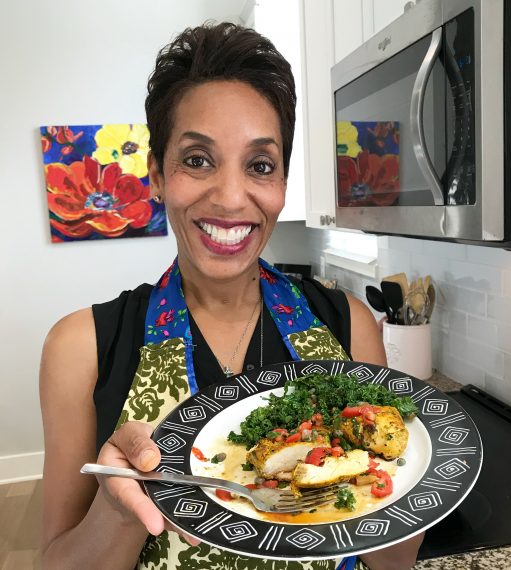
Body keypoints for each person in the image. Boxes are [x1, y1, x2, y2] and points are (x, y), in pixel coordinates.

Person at [39, 22, 424, 570]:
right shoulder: (80, 347)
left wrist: (398, 472)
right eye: (198, 159)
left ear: (282, 184)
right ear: (156, 175)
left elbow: (392, 562)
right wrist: (118, 512)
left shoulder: (348, 323)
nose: (230, 197)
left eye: (260, 166)